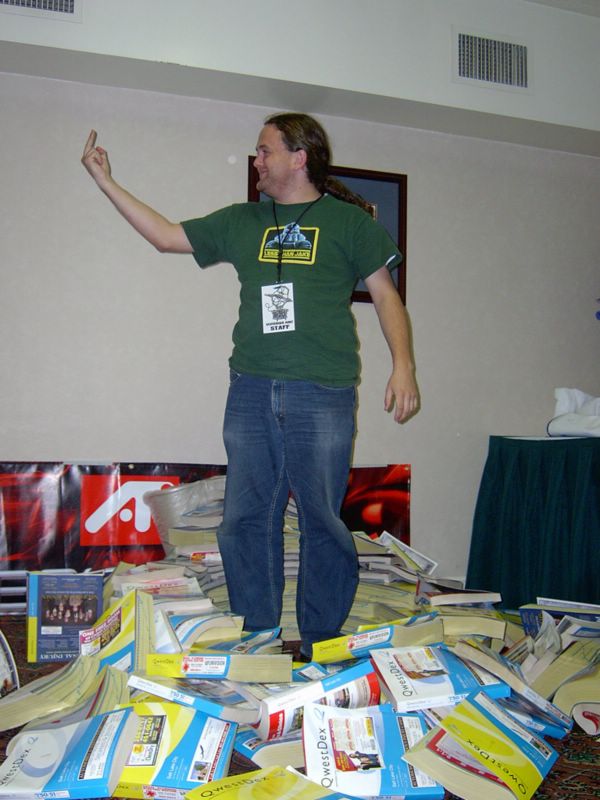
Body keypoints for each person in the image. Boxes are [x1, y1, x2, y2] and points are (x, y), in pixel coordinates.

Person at [81, 112, 418, 658]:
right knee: (244, 519)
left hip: (323, 391)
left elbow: (385, 295)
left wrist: (403, 365)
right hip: (251, 390)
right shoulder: (243, 221)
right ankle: (258, 639)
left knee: (322, 520)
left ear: (299, 157)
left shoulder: (350, 222)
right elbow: (166, 236)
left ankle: (322, 644)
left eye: (265, 150)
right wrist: (105, 181)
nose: (256, 160)